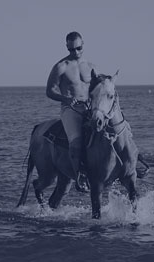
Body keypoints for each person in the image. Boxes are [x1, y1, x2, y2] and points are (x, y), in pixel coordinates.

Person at [46, 31, 95, 192]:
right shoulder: (61, 66)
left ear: (83, 45)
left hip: (89, 108)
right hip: (70, 109)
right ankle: (79, 177)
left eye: (78, 48)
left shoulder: (91, 66)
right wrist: (65, 99)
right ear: (67, 47)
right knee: (76, 142)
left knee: (116, 129)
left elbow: (97, 89)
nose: (75, 52)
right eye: (71, 49)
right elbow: (50, 90)